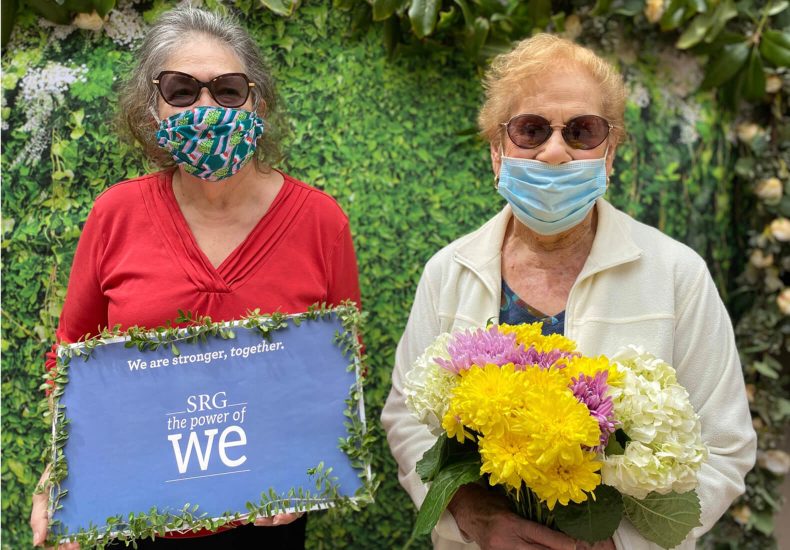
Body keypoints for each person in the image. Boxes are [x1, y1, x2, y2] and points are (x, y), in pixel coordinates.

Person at [381, 34, 756, 550]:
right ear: (497, 150)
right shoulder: (448, 272)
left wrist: (616, 542)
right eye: (531, 130)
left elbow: (726, 444)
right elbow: (406, 417)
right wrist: (472, 517)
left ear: (609, 152)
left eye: (582, 131)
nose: (555, 152)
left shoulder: (677, 274)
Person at [29, 6, 361, 549]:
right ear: (152, 107)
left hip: (264, 521)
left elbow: (340, 368)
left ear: (257, 101)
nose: (206, 107)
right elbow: (73, 360)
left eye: (227, 90)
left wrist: (310, 459)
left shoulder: (320, 222)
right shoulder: (116, 214)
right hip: (133, 513)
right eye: (182, 90)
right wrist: (61, 467)